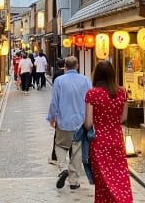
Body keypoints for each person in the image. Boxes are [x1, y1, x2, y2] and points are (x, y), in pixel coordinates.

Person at [84, 60, 133, 202]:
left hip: (99, 142)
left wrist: (101, 124)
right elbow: (123, 117)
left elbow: (88, 123)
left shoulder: (92, 94)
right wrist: (110, 123)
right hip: (116, 139)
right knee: (120, 176)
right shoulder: (122, 92)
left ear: (96, 75)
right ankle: (124, 199)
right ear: (112, 74)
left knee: (103, 181)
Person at [46, 56, 91, 190]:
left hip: (63, 120)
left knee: (60, 146)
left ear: (65, 66)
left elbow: (54, 101)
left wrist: (52, 117)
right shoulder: (85, 80)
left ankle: (63, 167)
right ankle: (73, 181)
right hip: (80, 121)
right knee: (76, 150)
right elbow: (90, 101)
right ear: (77, 66)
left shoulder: (59, 81)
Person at [48, 58, 66, 164]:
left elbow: (54, 92)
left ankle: (56, 157)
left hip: (60, 108)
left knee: (58, 135)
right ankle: (73, 161)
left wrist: (52, 116)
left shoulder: (56, 75)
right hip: (74, 113)